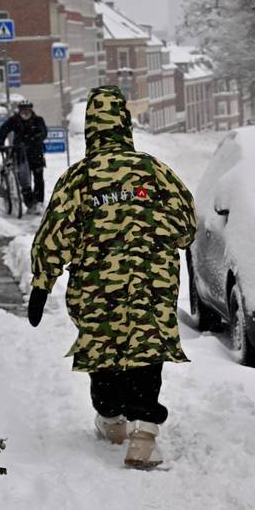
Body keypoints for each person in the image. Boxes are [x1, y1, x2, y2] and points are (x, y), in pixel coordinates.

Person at [27, 86, 196, 470]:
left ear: (91, 129)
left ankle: (110, 418)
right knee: (147, 350)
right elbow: (186, 228)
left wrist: (42, 283)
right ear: (125, 124)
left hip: (96, 291)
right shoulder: (156, 172)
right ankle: (144, 437)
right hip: (153, 286)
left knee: (104, 351)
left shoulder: (78, 180)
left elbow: (54, 237)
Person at [0, 101, 48, 214]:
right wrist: (1, 142)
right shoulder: (14, 120)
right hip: (20, 153)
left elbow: (43, 132)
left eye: (27, 109)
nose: (25, 112)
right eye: (22, 110)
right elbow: (3, 130)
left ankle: (39, 202)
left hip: (36, 153)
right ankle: (29, 203)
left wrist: (35, 138)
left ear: (31, 110)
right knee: (24, 180)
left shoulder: (38, 120)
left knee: (38, 177)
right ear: (19, 110)